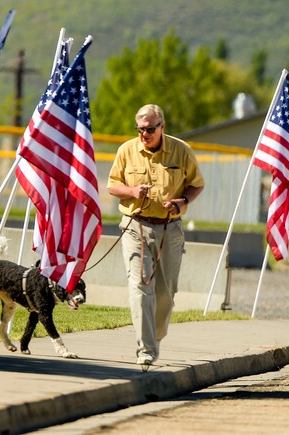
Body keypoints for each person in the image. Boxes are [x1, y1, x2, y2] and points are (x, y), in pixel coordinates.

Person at [107, 104, 204, 366]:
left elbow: (196, 185)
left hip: (170, 229)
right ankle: (146, 349)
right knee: (140, 286)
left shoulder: (181, 150)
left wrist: (182, 202)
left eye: (150, 129)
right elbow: (112, 185)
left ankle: (155, 335)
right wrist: (131, 192)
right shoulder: (126, 150)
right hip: (135, 226)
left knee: (165, 294)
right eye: (139, 129)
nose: (144, 135)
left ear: (162, 127)